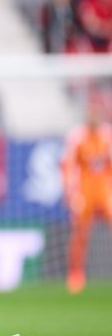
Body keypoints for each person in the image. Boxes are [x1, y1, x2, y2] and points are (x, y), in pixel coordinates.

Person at [60, 103, 112, 294]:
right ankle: (75, 274)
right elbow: (68, 165)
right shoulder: (77, 137)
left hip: (105, 188)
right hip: (84, 190)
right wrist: (70, 192)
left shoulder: (107, 135)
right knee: (80, 234)